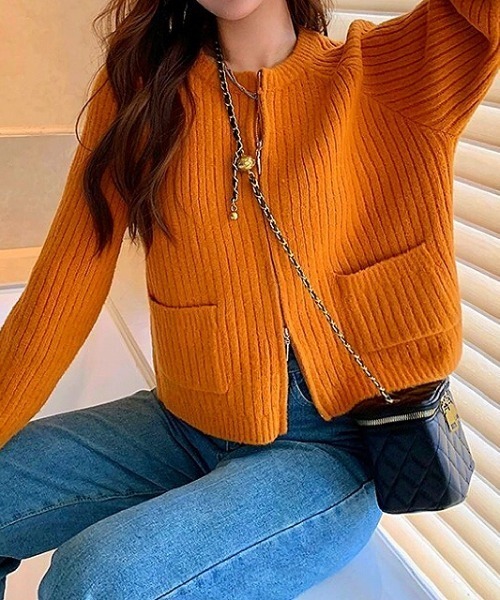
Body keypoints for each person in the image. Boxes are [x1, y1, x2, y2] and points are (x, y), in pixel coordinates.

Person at [0, 0, 498, 598]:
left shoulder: (394, 73)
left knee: (94, 580)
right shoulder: (141, 92)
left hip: (335, 446)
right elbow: (60, 292)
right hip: (184, 422)